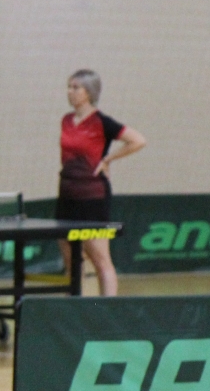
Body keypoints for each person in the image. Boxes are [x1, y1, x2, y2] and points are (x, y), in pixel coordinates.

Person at [57, 70, 145, 297]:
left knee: (100, 259)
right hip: (67, 195)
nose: (70, 92)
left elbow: (137, 140)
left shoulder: (102, 122)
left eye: (76, 87)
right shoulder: (66, 121)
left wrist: (108, 159)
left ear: (89, 92)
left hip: (92, 197)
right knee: (70, 259)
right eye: (69, 87)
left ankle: (106, 308)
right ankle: (74, 306)